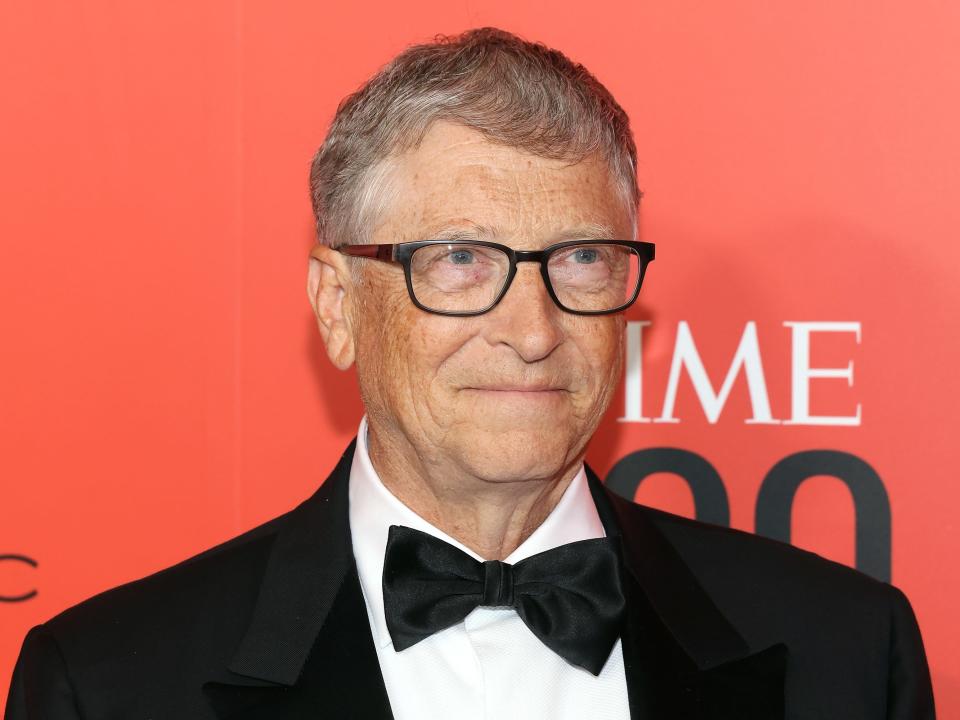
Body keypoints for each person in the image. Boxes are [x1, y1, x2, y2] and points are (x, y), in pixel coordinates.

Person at [4, 27, 934, 720]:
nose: (533, 332)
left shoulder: (845, 651)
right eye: (459, 260)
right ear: (339, 307)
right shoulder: (112, 684)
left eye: (579, 258)